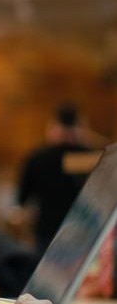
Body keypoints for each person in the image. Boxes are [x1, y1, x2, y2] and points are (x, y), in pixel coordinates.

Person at [17, 103, 101, 253]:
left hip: (48, 232)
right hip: (83, 232)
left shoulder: (38, 158)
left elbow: (22, 199)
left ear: (54, 127)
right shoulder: (93, 157)